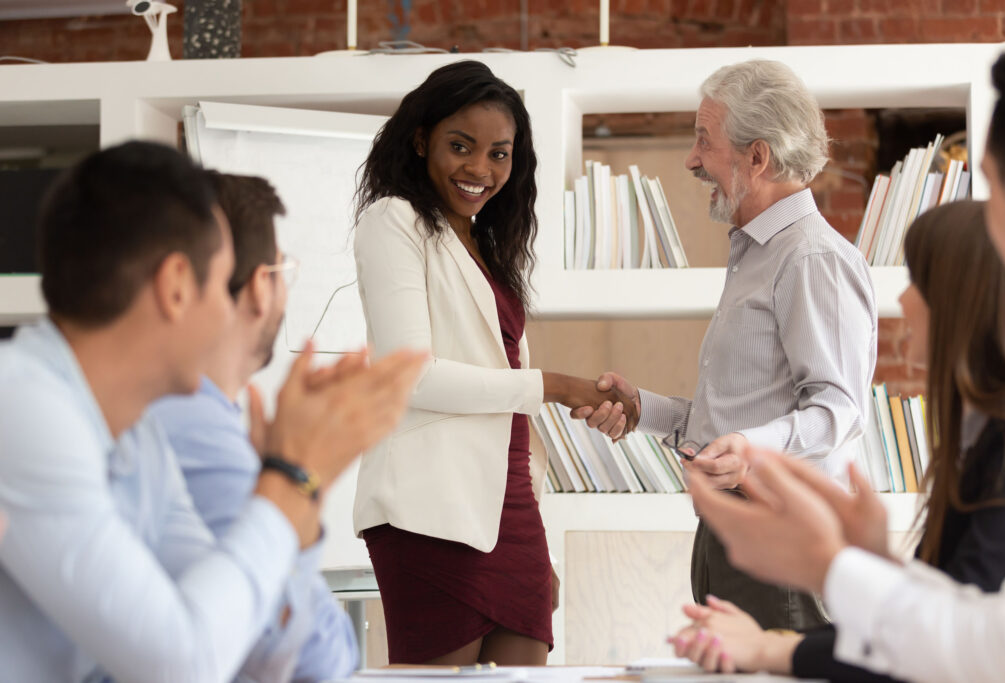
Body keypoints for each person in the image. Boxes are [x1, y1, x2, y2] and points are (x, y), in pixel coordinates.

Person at [0, 141, 426, 683]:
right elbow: (182, 663)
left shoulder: (141, 435)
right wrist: (290, 476)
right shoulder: (23, 408)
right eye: (222, 288)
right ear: (177, 286)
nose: (234, 312)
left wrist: (296, 491)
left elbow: (258, 654)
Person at [681, 45, 1005, 683]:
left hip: (781, 526)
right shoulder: (986, 444)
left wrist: (831, 569)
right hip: (746, 531)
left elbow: (999, 646)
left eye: (705, 140)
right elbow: (943, 622)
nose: (902, 302)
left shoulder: (812, 257)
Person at [574, 58, 878, 630]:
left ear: (756, 157)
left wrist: (751, 449)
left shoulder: (811, 258)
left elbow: (838, 411)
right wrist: (644, 410)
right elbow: (743, 415)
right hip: (729, 538)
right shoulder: (758, 256)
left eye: (703, 140)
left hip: (781, 544)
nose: (691, 159)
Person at [352, 60, 637, 666]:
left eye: (499, 153)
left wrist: (537, 541)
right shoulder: (393, 221)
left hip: (510, 506)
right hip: (428, 510)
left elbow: (502, 402)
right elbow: (412, 375)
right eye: (461, 146)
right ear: (421, 138)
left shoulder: (484, 243)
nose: (480, 169)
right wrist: (557, 386)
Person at [145, 171, 358, 682]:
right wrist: (298, 482)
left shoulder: (185, 416)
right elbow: (314, 660)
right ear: (263, 285)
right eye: (284, 270)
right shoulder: (195, 426)